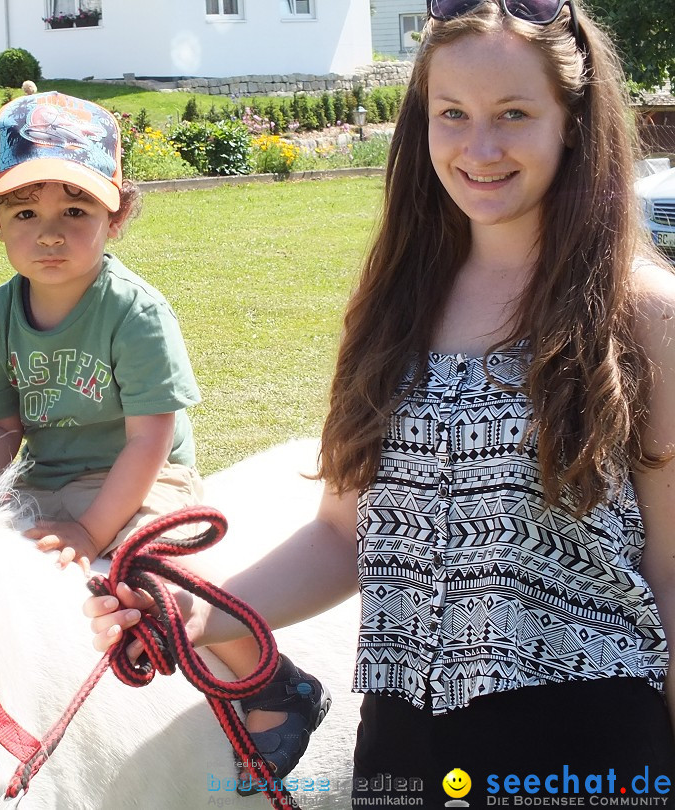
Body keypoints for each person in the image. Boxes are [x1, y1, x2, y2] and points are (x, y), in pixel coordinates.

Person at [86, 1, 675, 804]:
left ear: (570, 122)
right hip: (404, 754)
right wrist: (197, 613)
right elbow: (343, 535)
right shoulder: (392, 306)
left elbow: (672, 574)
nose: (481, 147)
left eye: (514, 114)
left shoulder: (645, 314)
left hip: (586, 756)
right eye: (453, 115)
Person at [0, 91, 331, 787]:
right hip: (47, 481)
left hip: (144, 477)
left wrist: (92, 532)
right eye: (24, 212)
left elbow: (151, 439)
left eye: (75, 210)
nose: (49, 233)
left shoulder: (134, 311)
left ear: (116, 215)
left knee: (157, 586)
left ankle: (277, 683)